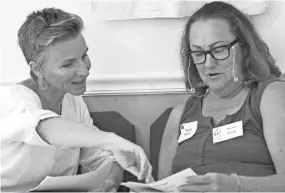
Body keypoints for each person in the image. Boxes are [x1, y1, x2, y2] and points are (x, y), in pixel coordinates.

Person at [0, 8, 153, 192]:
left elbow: (103, 157)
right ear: (37, 69)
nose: (84, 70)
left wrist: (110, 182)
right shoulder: (11, 101)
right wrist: (111, 140)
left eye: (84, 56)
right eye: (68, 64)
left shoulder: (73, 101)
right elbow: (45, 127)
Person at [158, 1, 285, 192]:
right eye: (199, 53)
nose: (208, 64)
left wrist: (237, 186)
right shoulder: (180, 114)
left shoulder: (269, 96)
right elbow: (161, 187)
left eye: (218, 50)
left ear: (244, 48)